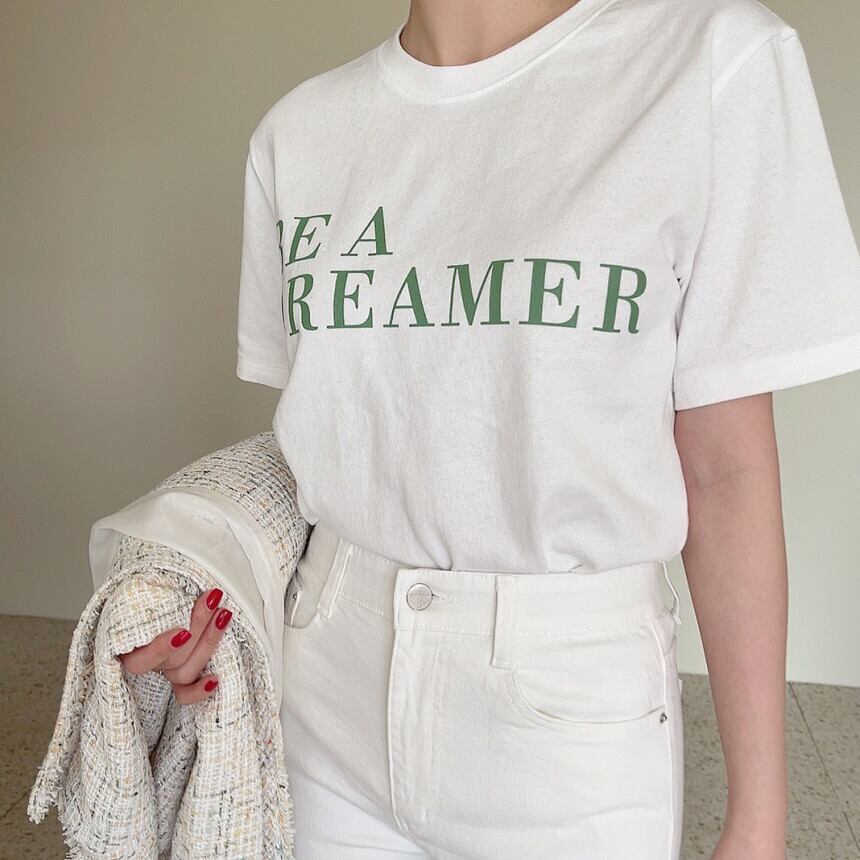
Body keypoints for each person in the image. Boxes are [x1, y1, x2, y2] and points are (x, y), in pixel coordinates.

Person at [128, 1, 860, 857]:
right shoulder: (299, 132)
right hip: (324, 683)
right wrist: (223, 599)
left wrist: (759, 818)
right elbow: (334, 448)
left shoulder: (708, 64)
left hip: (567, 716)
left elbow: (722, 472)